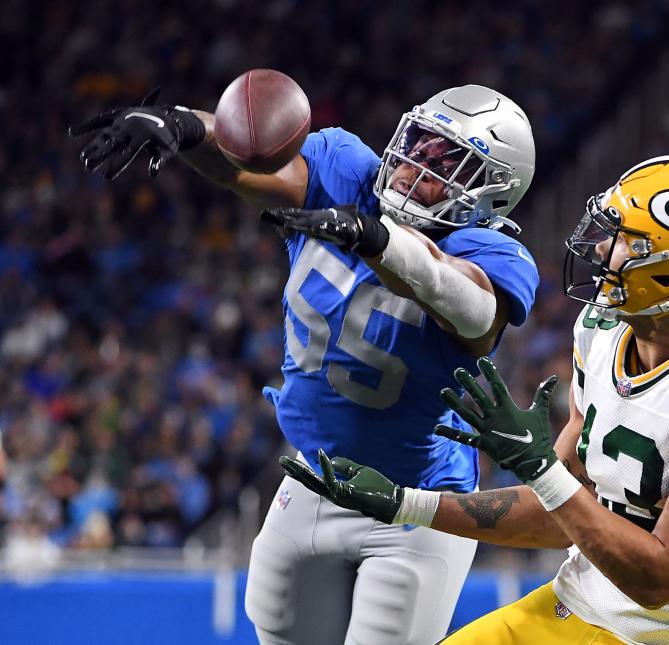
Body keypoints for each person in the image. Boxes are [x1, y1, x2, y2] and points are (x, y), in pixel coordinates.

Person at [70, 84, 539, 645]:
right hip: (315, 477)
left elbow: (471, 308)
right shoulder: (348, 171)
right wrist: (187, 126)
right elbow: (244, 163)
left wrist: (378, 241)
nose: (415, 166)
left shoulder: (494, 254)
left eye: (444, 161)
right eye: (418, 142)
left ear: (488, 194)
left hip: (418, 507)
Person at [280, 155, 669, 644]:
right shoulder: (600, 331)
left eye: (627, 241)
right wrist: (403, 504)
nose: (600, 248)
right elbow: (560, 513)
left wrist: (539, 468)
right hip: (577, 605)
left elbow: (659, 578)